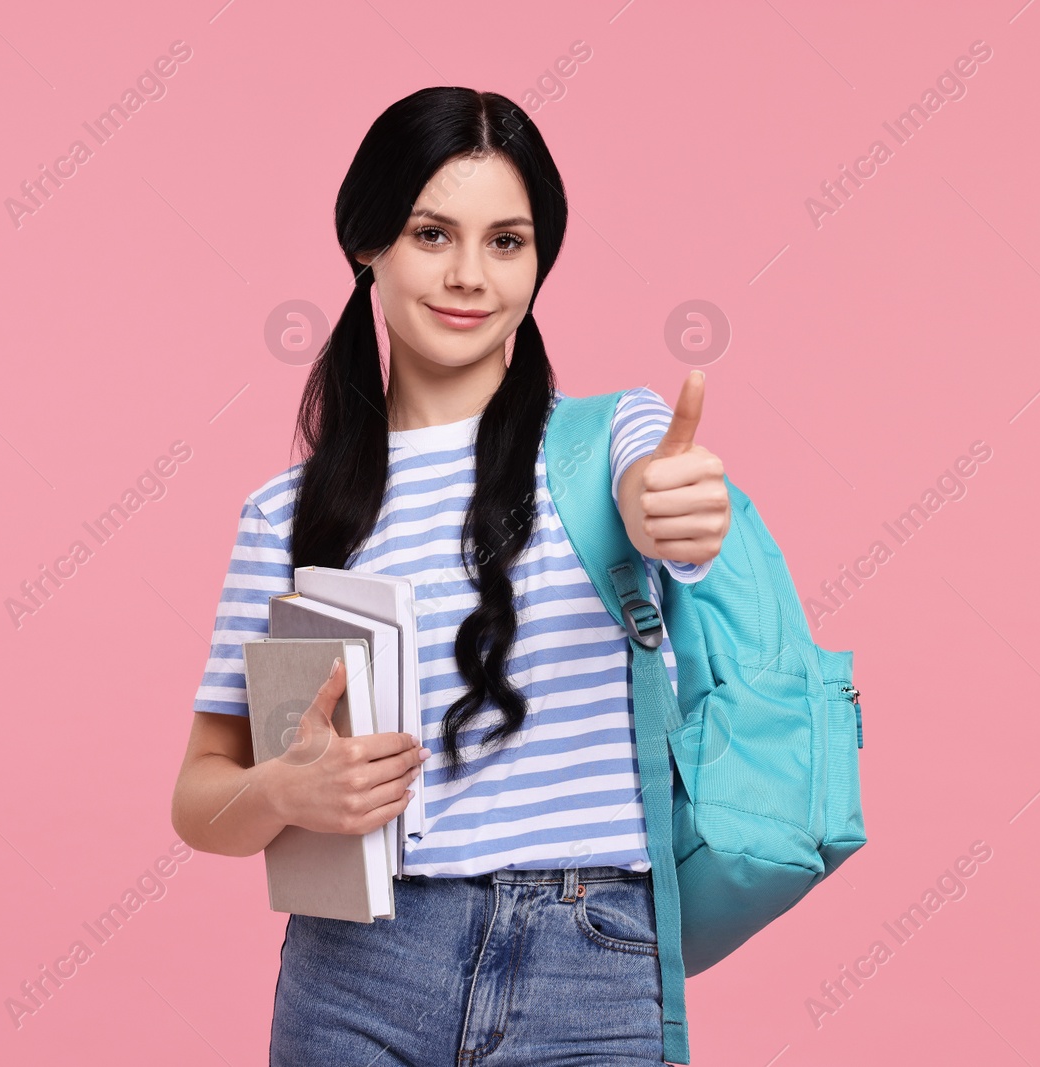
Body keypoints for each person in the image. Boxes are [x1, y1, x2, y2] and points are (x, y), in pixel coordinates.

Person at [170, 85, 731, 1066]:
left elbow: (665, 495)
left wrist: (671, 504)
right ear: (367, 244)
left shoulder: (609, 443)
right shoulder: (288, 515)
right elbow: (199, 798)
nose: (470, 275)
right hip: (357, 969)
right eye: (433, 234)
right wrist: (287, 792)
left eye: (506, 242)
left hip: (592, 964)